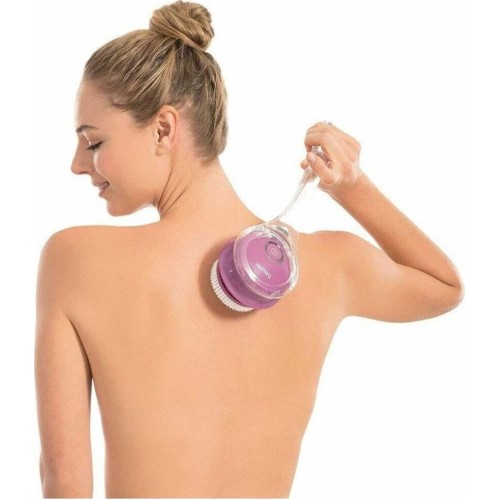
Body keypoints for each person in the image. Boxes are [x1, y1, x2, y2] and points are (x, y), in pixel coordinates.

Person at [34, 1, 465, 498]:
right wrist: (352, 187)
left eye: (93, 143)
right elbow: (443, 286)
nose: (77, 164)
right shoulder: (325, 266)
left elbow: (66, 482)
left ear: (164, 129)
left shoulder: (76, 259)